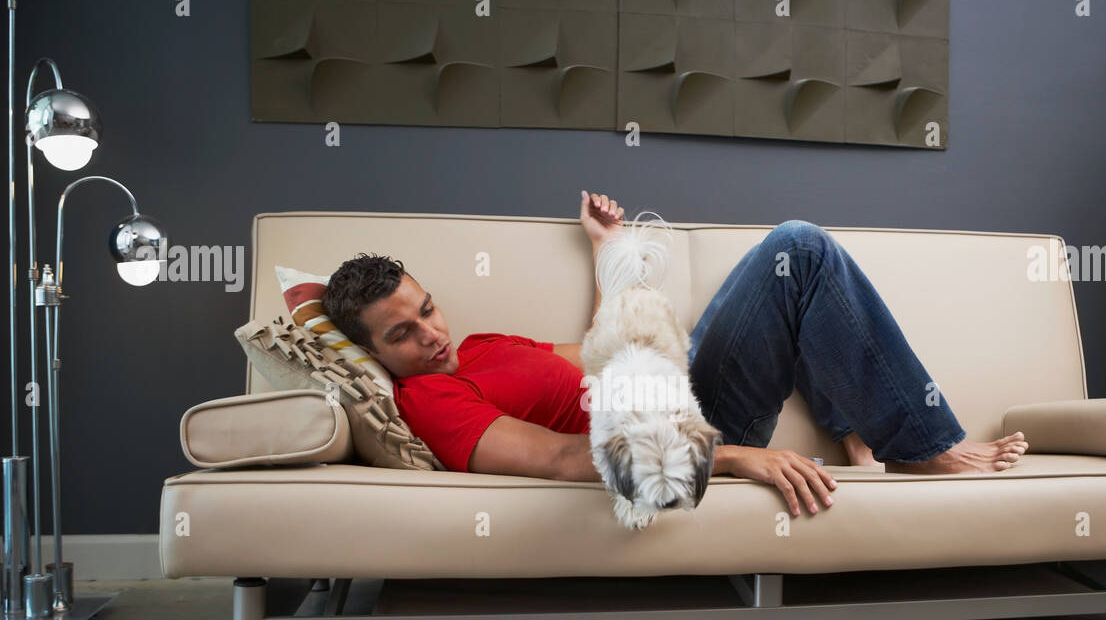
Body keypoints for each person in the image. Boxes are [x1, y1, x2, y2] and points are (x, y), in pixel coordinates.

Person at [321, 190, 1029, 518]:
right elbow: (572, 459)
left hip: (675, 378)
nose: (431, 335)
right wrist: (736, 456)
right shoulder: (428, 401)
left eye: (427, 310)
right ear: (372, 351)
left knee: (788, 277)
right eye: (402, 335)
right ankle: (919, 445)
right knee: (800, 247)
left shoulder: (479, 347)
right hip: (685, 422)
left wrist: (607, 251)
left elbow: (604, 347)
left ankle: (862, 435)